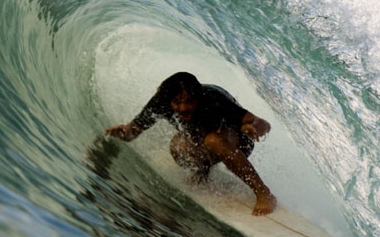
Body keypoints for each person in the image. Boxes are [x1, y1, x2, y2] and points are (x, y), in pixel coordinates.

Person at [103, 72, 277, 215]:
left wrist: (252, 129)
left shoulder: (213, 98)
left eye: (189, 101)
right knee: (178, 146)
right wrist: (124, 133)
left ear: (198, 97)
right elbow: (133, 131)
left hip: (238, 141)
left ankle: (263, 192)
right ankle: (203, 172)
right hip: (203, 138)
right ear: (169, 100)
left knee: (213, 140)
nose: (183, 108)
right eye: (177, 102)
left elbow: (264, 125)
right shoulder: (161, 102)